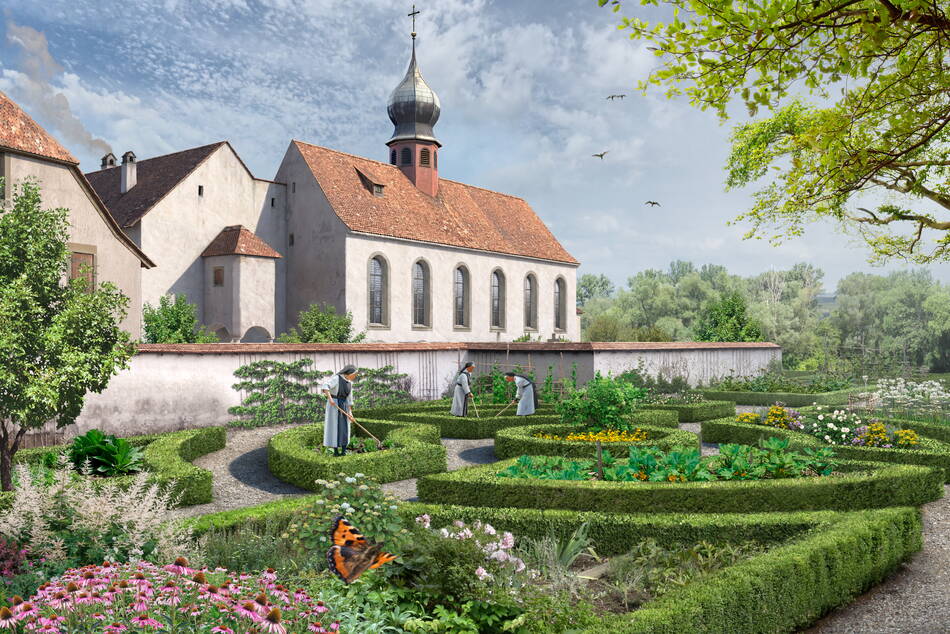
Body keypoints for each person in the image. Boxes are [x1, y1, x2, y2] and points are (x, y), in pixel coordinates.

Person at [322, 365, 357, 456]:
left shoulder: (350, 383)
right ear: (349, 373)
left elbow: (349, 400)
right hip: (334, 405)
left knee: (345, 428)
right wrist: (330, 399)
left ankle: (344, 451)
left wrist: (350, 414)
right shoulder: (337, 378)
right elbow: (325, 386)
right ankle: (336, 452)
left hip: (344, 405)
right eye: (354, 374)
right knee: (335, 428)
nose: (355, 376)